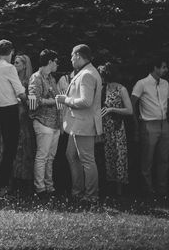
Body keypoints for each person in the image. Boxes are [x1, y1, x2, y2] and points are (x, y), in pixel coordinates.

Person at [56, 44, 102, 204]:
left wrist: (65, 100)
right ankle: (77, 191)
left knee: (87, 160)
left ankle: (91, 196)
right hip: (77, 124)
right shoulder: (85, 72)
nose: (70, 59)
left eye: (71, 56)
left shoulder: (87, 74)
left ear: (78, 55)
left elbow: (86, 101)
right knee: (71, 155)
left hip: (84, 124)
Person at [0, 39, 26, 196]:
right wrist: (29, 102)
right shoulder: (9, 68)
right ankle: (4, 186)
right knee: (11, 149)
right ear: (11, 52)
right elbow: (20, 91)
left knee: (4, 148)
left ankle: (1, 183)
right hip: (10, 110)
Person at [131, 58, 168, 197]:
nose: (166, 70)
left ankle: (162, 190)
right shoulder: (142, 84)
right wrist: (136, 123)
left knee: (164, 159)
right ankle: (148, 190)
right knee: (148, 159)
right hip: (148, 124)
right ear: (155, 67)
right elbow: (132, 103)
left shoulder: (166, 84)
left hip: (164, 124)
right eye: (164, 67)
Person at [29, 49, 61, 197]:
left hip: (55, 123)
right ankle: (40, 188)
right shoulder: (36, 78)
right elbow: (33, 101)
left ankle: (50, 186)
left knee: (51, 157)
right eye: (56, 61)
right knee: (42, 156)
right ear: (50, 62)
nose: (57, 65)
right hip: (42, 122)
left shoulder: (51, 79)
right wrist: (53, 101)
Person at [98, 63, 132, 196]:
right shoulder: (102, 89)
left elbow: (129, 110)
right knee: (106, 156)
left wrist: (112, 109)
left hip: (117, 129)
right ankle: (107, 187)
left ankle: (119, 191)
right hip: (104, 128)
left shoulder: (121, 89)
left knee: (119, 157)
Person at [11, 53, 35, 185]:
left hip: (22, 116)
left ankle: (23, 177)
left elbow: (30, 102)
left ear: (25, 65)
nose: (14, 65)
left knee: (23, 146)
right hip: (13, 113)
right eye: (14, 62)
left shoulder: (27, 82)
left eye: (17, 63)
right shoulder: (12, 79)